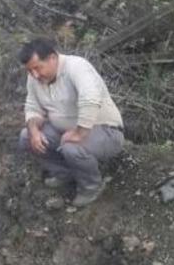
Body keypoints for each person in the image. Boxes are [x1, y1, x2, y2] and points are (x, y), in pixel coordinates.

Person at [16, 38, 124, 206]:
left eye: (38, 68)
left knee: (72, 147)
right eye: (30, 71)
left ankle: (91, 187)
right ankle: (65, 173)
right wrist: (34, 131)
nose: (34, 75)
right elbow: (32, 107)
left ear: (52, 58)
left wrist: (80, 133)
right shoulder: (35, 78)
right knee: (26, 137)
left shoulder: (77, 67)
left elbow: (90, 100)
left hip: (105, 131)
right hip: (66, 131)